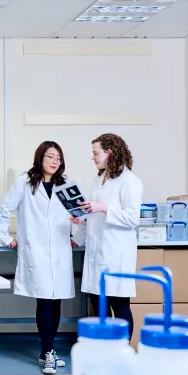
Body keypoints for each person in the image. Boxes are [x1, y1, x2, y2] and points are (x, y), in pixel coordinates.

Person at [0, 141, 76, 374]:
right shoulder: (24, 182)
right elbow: (3, 210)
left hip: (60, 251)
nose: (54, 161)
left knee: (57, 299)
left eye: (58, 158)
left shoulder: (67, 185)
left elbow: (80, 213)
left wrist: (77, 238)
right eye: (50, 156)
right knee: (45, 300)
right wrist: (5, 237)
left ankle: (46, 351)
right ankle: (49, 351)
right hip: (36, 251)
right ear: (40, 158)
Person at [73, 133, 143, 340]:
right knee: (98, 303)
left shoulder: (130, 181)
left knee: (119, 305)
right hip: (97, 251)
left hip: (116, 253)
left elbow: (132, 218)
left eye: (96, 153)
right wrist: (83, 216)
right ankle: (103, 348)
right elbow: (96, 212)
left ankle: (122, 349)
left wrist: (103, 208)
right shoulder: (99, 179)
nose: (93, 158)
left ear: (109, 153)